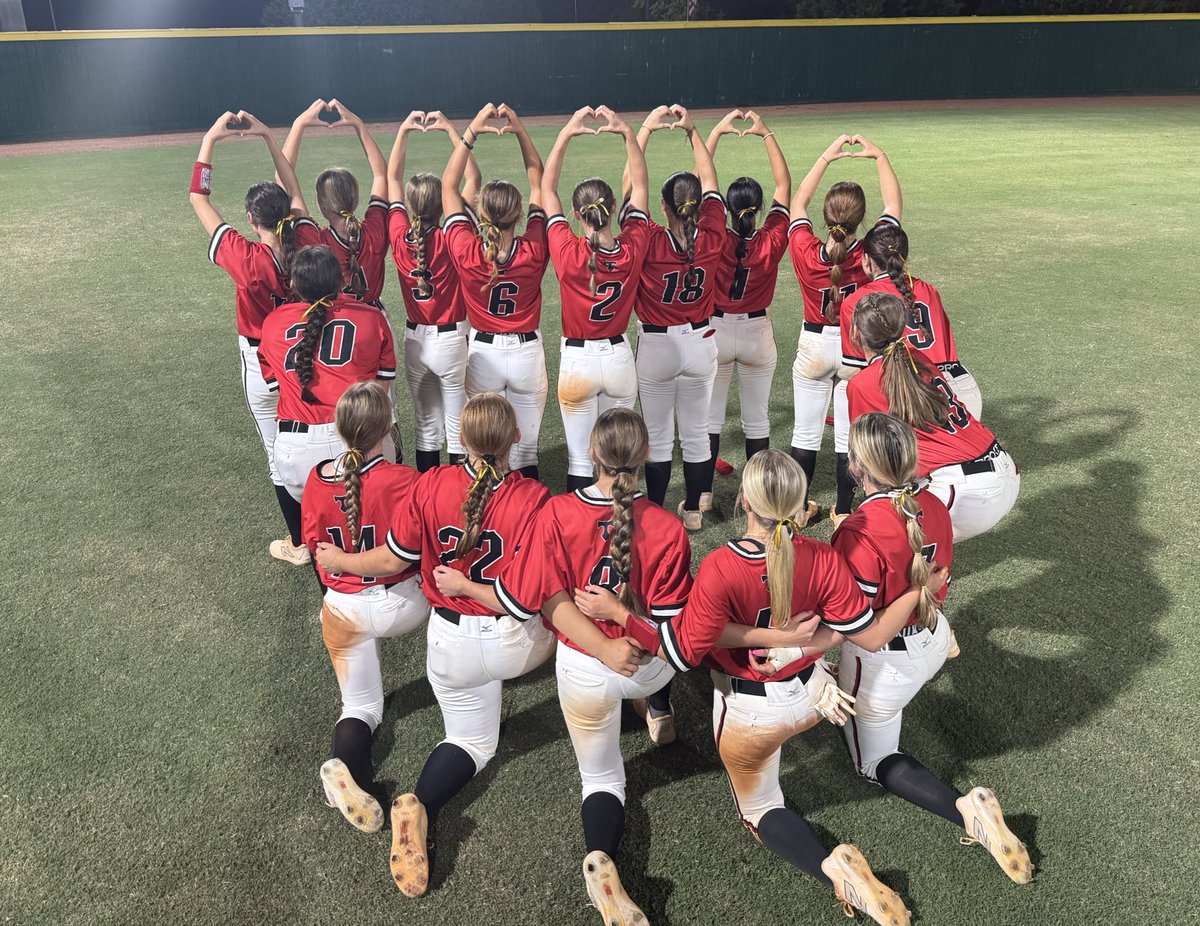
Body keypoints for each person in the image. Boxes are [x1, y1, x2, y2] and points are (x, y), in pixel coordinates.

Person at [585, 449, 950, 926]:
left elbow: (681, 652)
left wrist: (619, 614)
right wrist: (791, 644)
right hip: (815, 696)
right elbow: (853, 629)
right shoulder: (823, 556)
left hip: (751, 712)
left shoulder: (721, 566)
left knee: (760, 810)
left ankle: (833, 871)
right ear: (801, 505)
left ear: (744, 500)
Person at [437, 408, 691, 926]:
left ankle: (601, 856)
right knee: (671, 658)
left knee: (601, 780)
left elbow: (542, 602)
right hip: (646, 666)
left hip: (584, 668)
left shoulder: (556, 511)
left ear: (591, 454)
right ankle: (658, 709)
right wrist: (623, 634)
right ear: (646, 457)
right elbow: (674, 637)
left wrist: (602, 647)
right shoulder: (668, 527)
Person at [315, 393, 553, 898]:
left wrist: (340, 561)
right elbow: (528, 597)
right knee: (557, 610)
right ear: (515, 438)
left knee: (464, 737)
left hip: (448, 642)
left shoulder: (429, 484)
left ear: (460, 439)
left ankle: (408, 796)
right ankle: (420, 803)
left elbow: (393, 557)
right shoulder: (535, 497)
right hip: (515, 642)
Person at [820, 411, 1032, 884]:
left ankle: (965, 812)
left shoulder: (858, 530)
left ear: (857, 466)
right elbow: (935, 584)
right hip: (933, 638)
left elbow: (863, 631)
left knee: (873, 763)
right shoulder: (934, 503)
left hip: (884, 663)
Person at [189, 109, 322, 563]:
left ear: (250, 218)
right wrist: (268, 135)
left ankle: (300, 544)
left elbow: (197, 197)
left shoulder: (246, 258)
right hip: (310, 356)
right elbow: (295, 190)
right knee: (319, 441)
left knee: (277, 454)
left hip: (263, 367)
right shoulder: (307, 239)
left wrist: (211, 138)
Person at [301, 382, 429, 834]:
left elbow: (315, 550)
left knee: (360, 707)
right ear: (387, 428)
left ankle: (345, 763)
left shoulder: (316, 479)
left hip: (342, 609)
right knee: (446, 584)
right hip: (404, 604)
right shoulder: (406, 480)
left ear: (339, 430)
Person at [788, 134, 902, 529]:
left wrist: (826, 156)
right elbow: (894, 206)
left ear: (826, 217)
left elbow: (797, 203)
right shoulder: (871, 250)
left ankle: (798, 509)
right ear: (860, 220)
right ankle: (842, 510)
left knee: (805, 431)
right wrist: (879, 155)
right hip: (857, 348)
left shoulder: (805, 248)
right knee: (846, 436)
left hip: (814, 345)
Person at [847, 293, 1019, 542]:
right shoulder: (918, 358)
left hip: (964, 493)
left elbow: (866, 460)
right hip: (1005, 470)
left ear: (856, 333)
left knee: (884, 541)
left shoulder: (862, 384)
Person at [625, 104, 724, 530]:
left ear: (664, 207)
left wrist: (644, 130)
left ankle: (657, 512)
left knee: (659, 436)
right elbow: (711, 179)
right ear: (698, 206)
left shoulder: (648, 238)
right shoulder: (714, 232)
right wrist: (692, 131)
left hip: (657, 345)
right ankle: (693, 513)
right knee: (697, 433)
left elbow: (631, 187)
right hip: (701, 343)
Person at [542, 106, 651, 492]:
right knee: (620, 456)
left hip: (577, 363)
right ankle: (621, 517)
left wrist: (566, 134)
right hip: (619, 359)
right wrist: (628, 134)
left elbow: (546, 189)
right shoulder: (633, 246)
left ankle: (582, 521)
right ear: (613, 210)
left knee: (579, 459)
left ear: (577, 214)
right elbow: (641, 186)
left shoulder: (566, 250)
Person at [442, 103, 549, 479]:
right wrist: (519, 128)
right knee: (526, 451)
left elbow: (448, 186)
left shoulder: (466, 250)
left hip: (483, 354)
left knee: (485, 447)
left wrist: (472, 129)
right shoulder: (534, 248)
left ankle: (486, 507)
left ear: (481, 214)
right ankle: (525, 508)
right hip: (525, 354)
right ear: (518, 215)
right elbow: (539, 182)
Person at [256, 245, 397, 520]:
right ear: (341, 280)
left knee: (320, 531)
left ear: (294, 284)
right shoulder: (371, 317)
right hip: (361, 441)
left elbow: (278, 387)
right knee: (375, 524)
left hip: (297, 453)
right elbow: (380, 392)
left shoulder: (272, 323)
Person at [701, 108, 791, 511]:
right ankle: (756, 496)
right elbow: (785, 184)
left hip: (716, 332)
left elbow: (704, 179)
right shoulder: (771, 238)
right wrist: (765, 133)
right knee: (756, 419)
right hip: (756, 334)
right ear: (757, 208)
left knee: (710, 419)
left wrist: (717, 132)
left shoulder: (716, 235)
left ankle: (702, 494)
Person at [387, 110, 478, 471]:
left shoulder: (399, 235)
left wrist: (404, 130)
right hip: (452, 341)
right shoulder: (451, 235)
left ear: (411, 205)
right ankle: (454, 493)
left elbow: (391, 178)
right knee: (457, 431)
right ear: (443, 204)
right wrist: (451, 130)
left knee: (426, 430)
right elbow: (473, 177)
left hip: (415, 342)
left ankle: (427, 493)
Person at [840, 223, 982, 419]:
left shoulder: (857, 301)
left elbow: (856, 370)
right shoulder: (928, 289)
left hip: (918, 393)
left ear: (866, 260)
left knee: (846, 386)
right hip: (961, 387)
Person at [280, 99, 391, 306]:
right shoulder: (374, 232)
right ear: (356, 199)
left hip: (331, 319)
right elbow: (382, 176)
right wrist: (358, 124)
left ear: (320, 205)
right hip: (375, 319)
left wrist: (298, 125)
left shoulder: (316, 241)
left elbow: (285, 184)